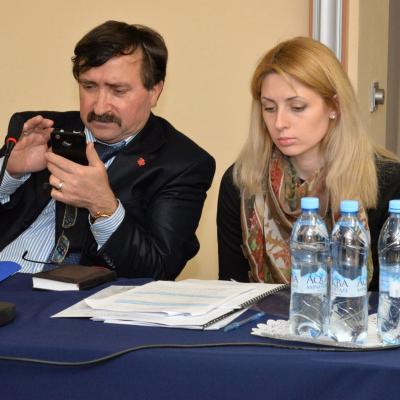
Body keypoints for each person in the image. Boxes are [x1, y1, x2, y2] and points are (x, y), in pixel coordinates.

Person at [0, 20, 215, 280]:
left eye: (118, 91)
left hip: (81, 296)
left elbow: (158, 270)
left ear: (154, 92)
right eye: (89, 87)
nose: (100, 107)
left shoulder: (182, 163)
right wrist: (9, 174)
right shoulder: (40, 130)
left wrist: (103, 206)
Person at [217, 36, 400, 291]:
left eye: (297, 107)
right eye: (269, 108)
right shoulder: (242, 182)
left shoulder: (389, 182)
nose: (280, 123)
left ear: (334, 106)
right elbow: (231, 291)